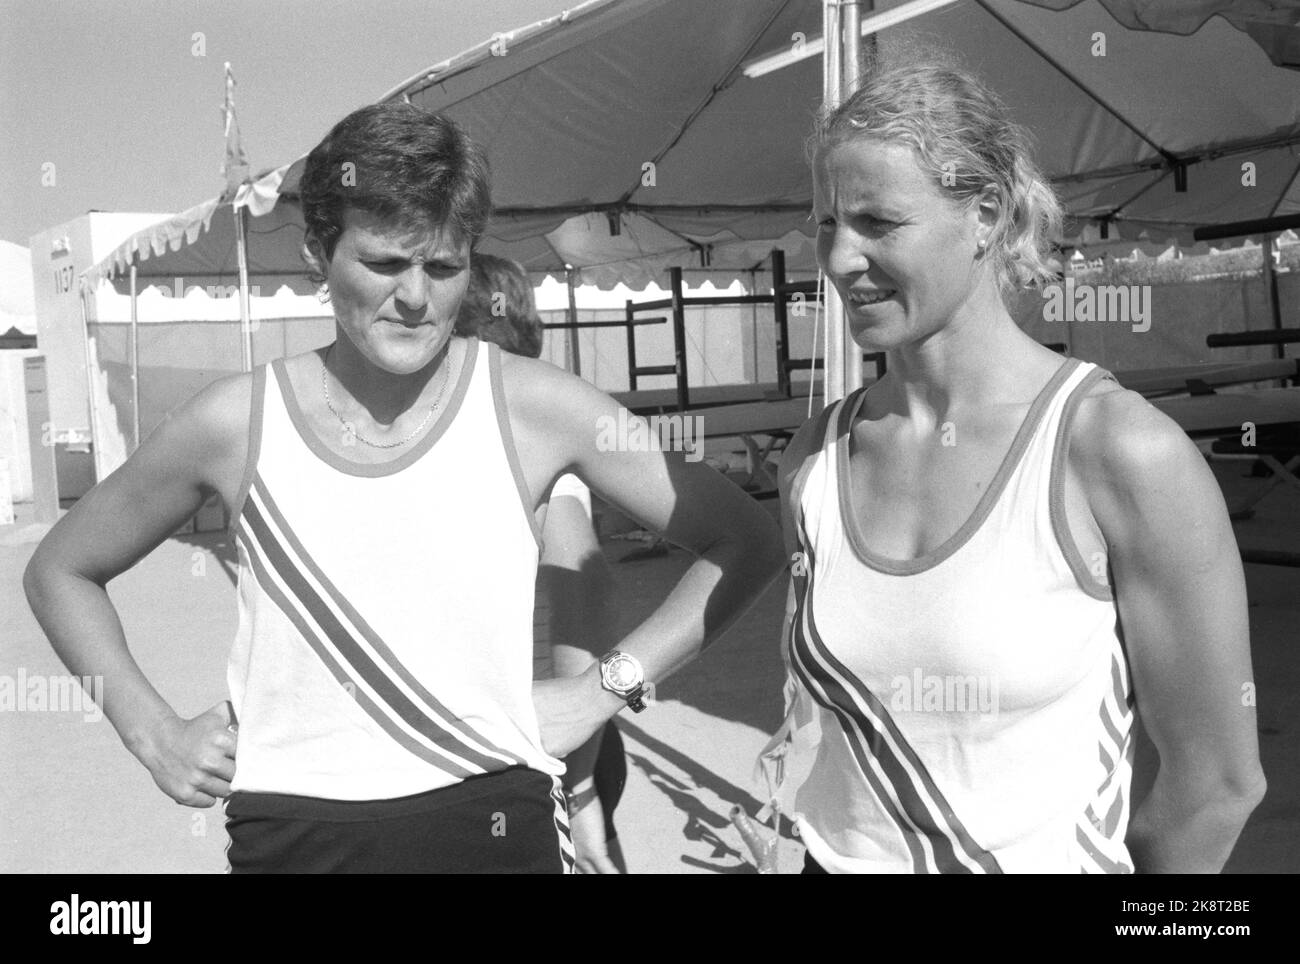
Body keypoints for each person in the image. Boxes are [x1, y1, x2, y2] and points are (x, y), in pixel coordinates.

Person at [24, 102, 785, 874]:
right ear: (320, 252)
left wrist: (603, 689)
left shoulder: (536, 408)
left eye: (444, 266)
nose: (416, 296)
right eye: (386, 263)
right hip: (294, 835)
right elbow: (60, 569)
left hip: (495, 820)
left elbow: (747, 538)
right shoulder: (234, 422)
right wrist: (150, 730)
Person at [763, 57, 1265, 873]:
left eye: (878, 223)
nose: (841, 259)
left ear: (986, 215)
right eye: (827, 223)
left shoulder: (1115, 451)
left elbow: (1218, 787)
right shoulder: (816, 457)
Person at [454, 251, 629, 873]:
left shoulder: (514, 433)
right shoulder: (518, 425)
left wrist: (575, 781)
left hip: (538, 753)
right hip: (541, 746)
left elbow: (588, 591)